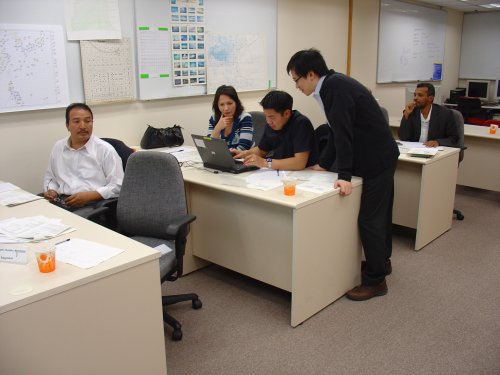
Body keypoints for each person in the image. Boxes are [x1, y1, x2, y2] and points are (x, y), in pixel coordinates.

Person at [287, 48, 399, 301]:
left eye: (297, 79)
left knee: (370, 220)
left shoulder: (335, 89)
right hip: (374, 154)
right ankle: (381, 262)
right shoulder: (329, 87)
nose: (296, 86)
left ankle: (376, 280)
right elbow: (335, 130)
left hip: (377, 158)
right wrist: (325, 165)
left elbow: (345, 134)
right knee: (378, 215)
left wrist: (344, 176)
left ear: (311, 74)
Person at [43, 103, 124, 214]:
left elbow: (118, 185)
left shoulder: (105, 150)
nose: (83, 126)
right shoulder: (58, 147)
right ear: (67, 125)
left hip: (92, 205)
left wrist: (91, 196)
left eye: (88, 121)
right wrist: (51, 190)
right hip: (62, 201)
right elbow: (51, 178)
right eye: (76, 121)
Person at [232, 90, 318, 170]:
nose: (268, 121)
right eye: (266, 116)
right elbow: (261, 150)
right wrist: (244, 154)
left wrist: (265, 162)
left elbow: (299, 163)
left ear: (286, 113)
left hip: (304, 175)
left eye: (271, 117)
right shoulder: (271, 124)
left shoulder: (301, 124)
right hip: (279, 173)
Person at [399, 82, 459, 148]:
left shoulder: (445, 114)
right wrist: (406, 115)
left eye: (420, 95)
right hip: (414, 151)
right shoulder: (412, 112)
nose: (415, 98)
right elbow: (403, 137)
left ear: (430, 98)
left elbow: (454, 138)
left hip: (434, 152)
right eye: (415, 95)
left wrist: (438, 142)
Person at [208, 85, 253, 150]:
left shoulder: (245, 118)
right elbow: (208, 146)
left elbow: (244, 147)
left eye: (229, 103)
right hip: (222, 158)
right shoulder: (214, 118)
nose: (226, 108)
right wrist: (217, 129)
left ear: (236, 103)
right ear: (217, 106)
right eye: (222, 104)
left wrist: (225, 155)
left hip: (242, 158)